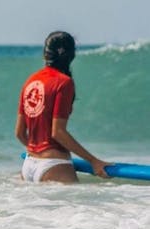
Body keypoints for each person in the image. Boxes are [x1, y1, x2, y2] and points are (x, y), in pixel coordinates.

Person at [15, 31, 109, 183]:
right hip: (53, 165)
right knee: (76, 207)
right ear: (71, 55)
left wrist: (38, 153)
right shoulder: (64, 82)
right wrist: (94, 161)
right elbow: (58, 132)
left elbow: (19, 133)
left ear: (45, 54)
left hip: (29, 164)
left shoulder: (30, 81)